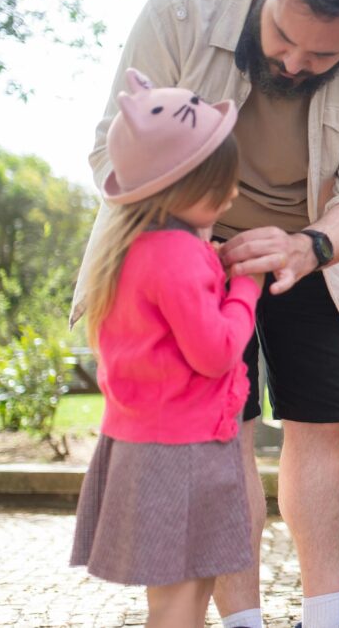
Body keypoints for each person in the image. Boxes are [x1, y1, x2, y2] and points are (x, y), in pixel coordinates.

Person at [70, 0, 339, 626]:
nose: (293, 62)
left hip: (316, 239)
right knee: (223, 432)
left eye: (321, 53)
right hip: (188, 237)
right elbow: (109, 150)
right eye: (282, 38)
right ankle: (242, 619)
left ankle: (327, 611)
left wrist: (307, 247)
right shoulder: (181, 7)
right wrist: (188, 243)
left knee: (323, 425)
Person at [70, 69, 262, 628]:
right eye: (222, 183)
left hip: (146, 445)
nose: (232, 194)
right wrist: (246, 288)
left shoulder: (134, 250)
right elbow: (216, 350)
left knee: (178, 598)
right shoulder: (177, 257)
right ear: (180, 185)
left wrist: (218, 271)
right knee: (181, 602)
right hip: (184, 454)